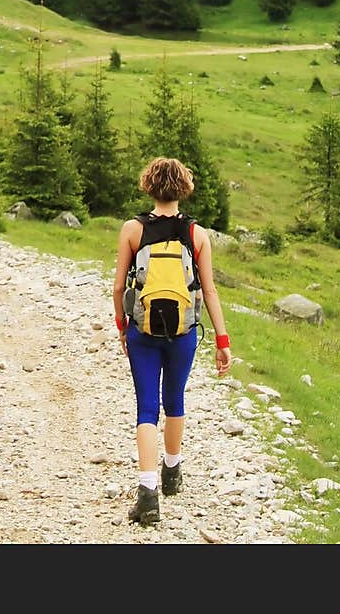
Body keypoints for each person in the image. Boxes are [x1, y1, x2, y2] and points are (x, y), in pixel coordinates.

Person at [112, 156, 231, 527]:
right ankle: (172, 472)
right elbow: (208, 290)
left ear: (149, 185)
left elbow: (118, 287)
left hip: (142, 331)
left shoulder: (133, 229)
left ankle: (147, 494)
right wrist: (223, 339)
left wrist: (122, 325)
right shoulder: (197, 235)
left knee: (147, 408)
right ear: (183, 189)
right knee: (175, 400)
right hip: (184, 333)